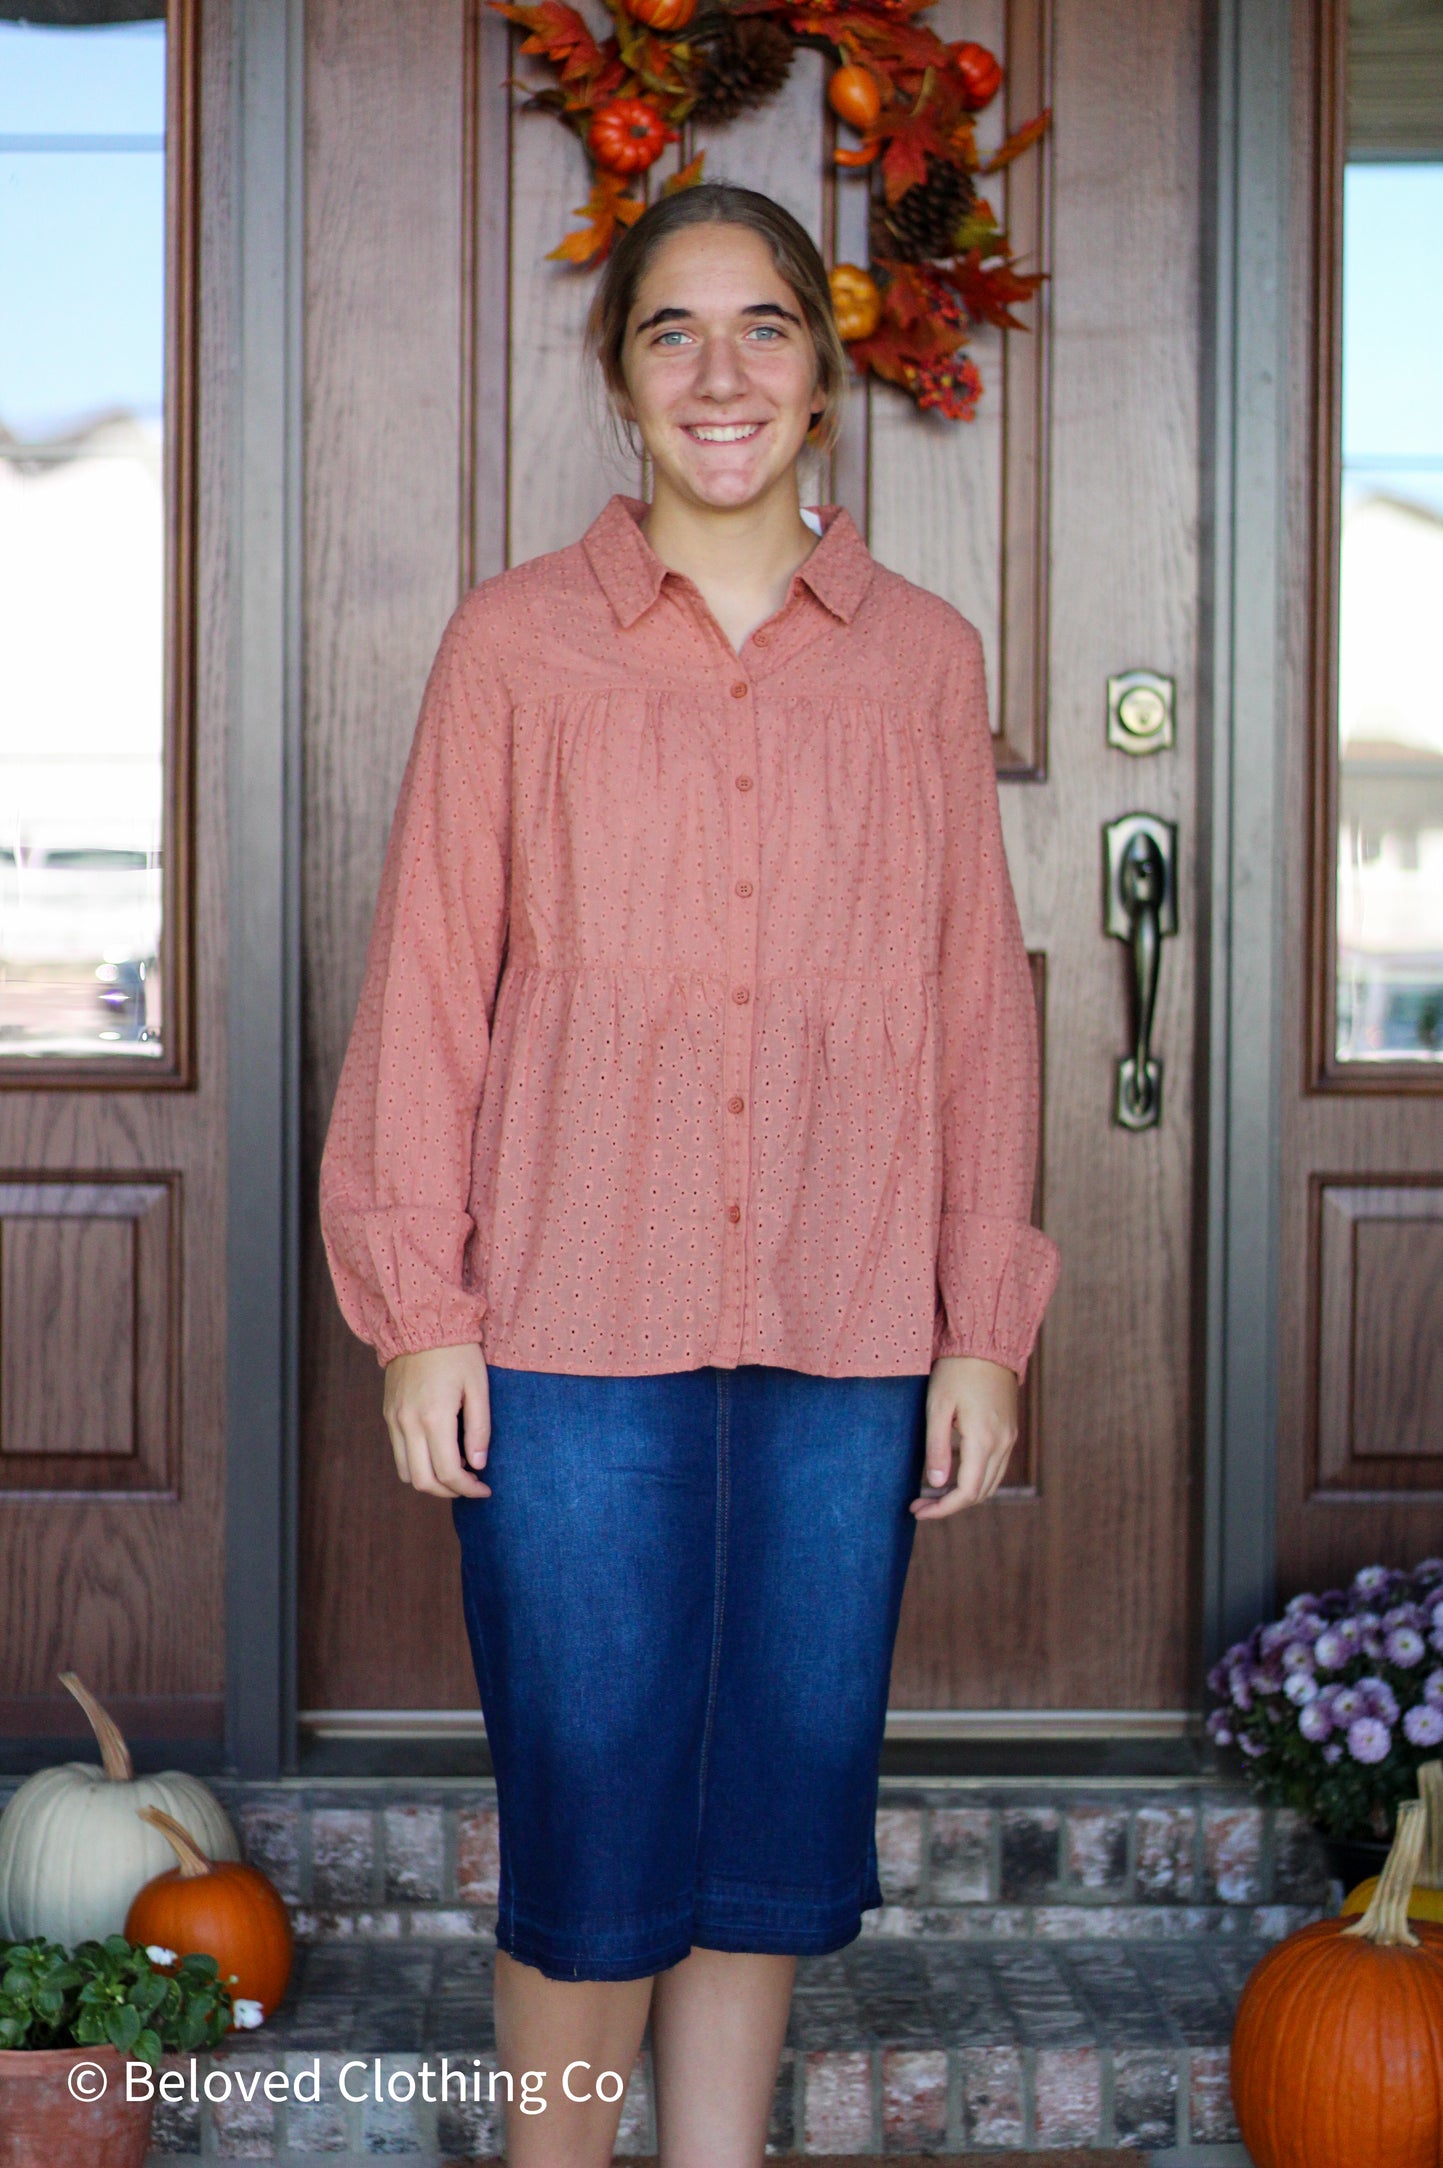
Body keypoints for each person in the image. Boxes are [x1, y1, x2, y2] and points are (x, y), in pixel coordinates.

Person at [319, 180, 1059, 2168]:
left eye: (762, 332)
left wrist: (982, 1323)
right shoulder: (516, 645)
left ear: (824, 380)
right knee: (593, 1797)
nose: (720, 374)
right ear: (621, 376)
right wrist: (421, 1312)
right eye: (673, 333)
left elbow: (975, 1003)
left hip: (845, 1331)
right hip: (569, 1328)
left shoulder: (918, 658)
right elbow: (428, 984)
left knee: (775, 1798)